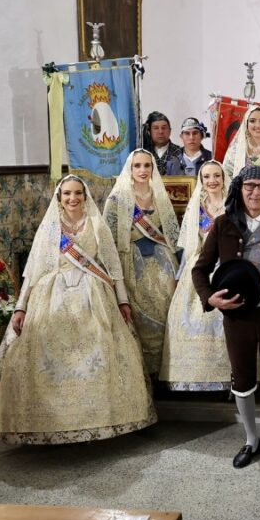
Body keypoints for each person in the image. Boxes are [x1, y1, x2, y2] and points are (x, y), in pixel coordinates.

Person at [0, 175, 156, 444]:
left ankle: (100, 419)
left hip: (93, 296)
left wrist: (122, 301)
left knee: (101, 349)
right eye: (67, 194)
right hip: (52, 295)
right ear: (59, 197)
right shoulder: (50, 227)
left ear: (85, 196)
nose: (72, 198)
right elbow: (33, 271)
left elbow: (113, 268)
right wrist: (21, 307)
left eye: (77, 193)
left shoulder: (96, 225)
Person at [192, 165, 260, 469]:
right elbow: (199, 269)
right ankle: (250, 438)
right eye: (250, 186)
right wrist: (209, 297)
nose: (256, 192)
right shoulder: (223, 224)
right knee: (242, 376)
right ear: (240, 188)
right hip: (238, 315)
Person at [104, 149, 180, 375]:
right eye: (138, 166)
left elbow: (171, 233)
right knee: (137, 316)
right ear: (130, 168)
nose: (143, 170)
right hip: (130, 263)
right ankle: (142, 371)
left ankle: (163, 369)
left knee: (164, 312)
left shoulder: (160, 195)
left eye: (147, 166)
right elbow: (108, 238)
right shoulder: (117, 198)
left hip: (162, 262)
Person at [158, 161, 230, 391]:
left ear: (223, 177)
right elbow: (190, 245)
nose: (212, 181)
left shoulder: (233, 204)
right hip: (200, 265)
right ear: (201, 179)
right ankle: (192, 376)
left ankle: (228, 377)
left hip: (229, 265)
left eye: (216, 176)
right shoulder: (196, 206)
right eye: (207, 176)